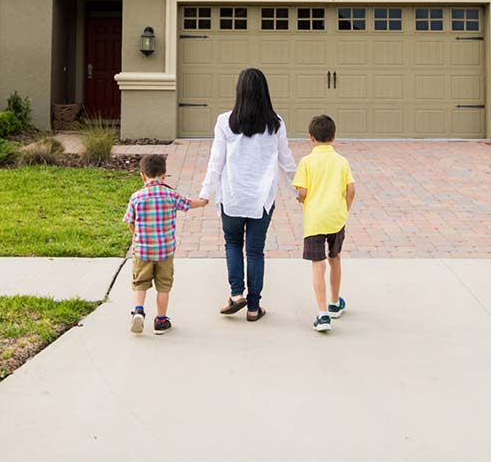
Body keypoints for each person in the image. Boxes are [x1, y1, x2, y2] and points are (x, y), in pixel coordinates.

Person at [200, 68, 297, 322]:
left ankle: (236, 295)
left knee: (232, 243)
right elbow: (286, 160)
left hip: (232, 196)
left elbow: (216, 162)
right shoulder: (275, 122)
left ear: (239, 91)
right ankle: (254, 308)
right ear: (264, 91)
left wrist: (205, 193)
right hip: (261, 199)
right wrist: (299, 189)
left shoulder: (225, 121)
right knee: (255, 251)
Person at [124, 154, 208, 335]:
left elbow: (130, 221)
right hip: (165, 251)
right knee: (164, 286)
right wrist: (202, 202)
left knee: (140, 283)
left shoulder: (136, 197)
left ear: (142, 176)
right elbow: (188, 204)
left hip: (142, 250)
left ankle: (138, 311)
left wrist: (136, 235)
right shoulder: (170, 195)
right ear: (164, 176)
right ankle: (161, 321)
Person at [292, 114, 355, 333]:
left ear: (311, 137)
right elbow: (351, 190)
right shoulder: (341, 161)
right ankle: (335, 302)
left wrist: (300, 199)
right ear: (334, 136)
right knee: (334, 258)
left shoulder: (307, 162)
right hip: (336, 218)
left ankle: (322, 314)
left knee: (317, 265)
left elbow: (302, 192)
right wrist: (344, 209)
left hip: (315, 220)